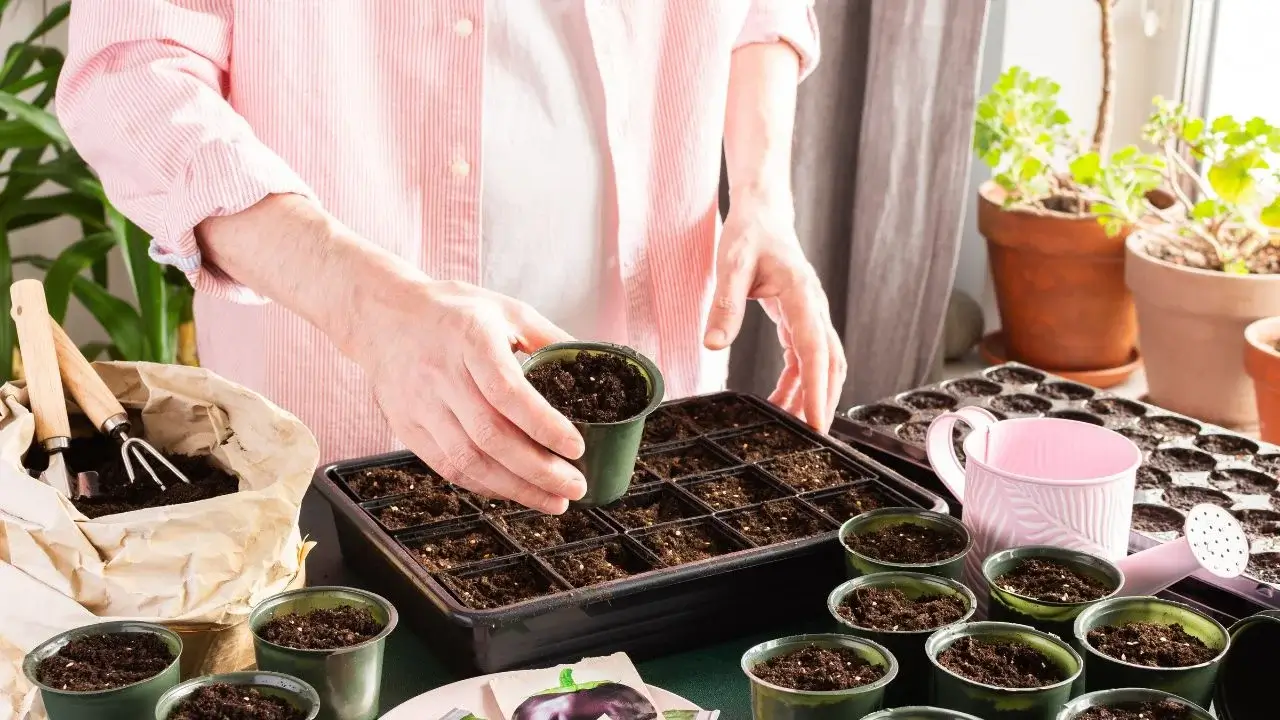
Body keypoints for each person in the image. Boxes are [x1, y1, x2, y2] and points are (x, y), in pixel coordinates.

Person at [59, 1, 846, 515]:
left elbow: (758, 15)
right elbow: (128, 69)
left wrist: (763, 198)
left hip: (648, 392)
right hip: (343, 407)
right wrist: (367, 307)